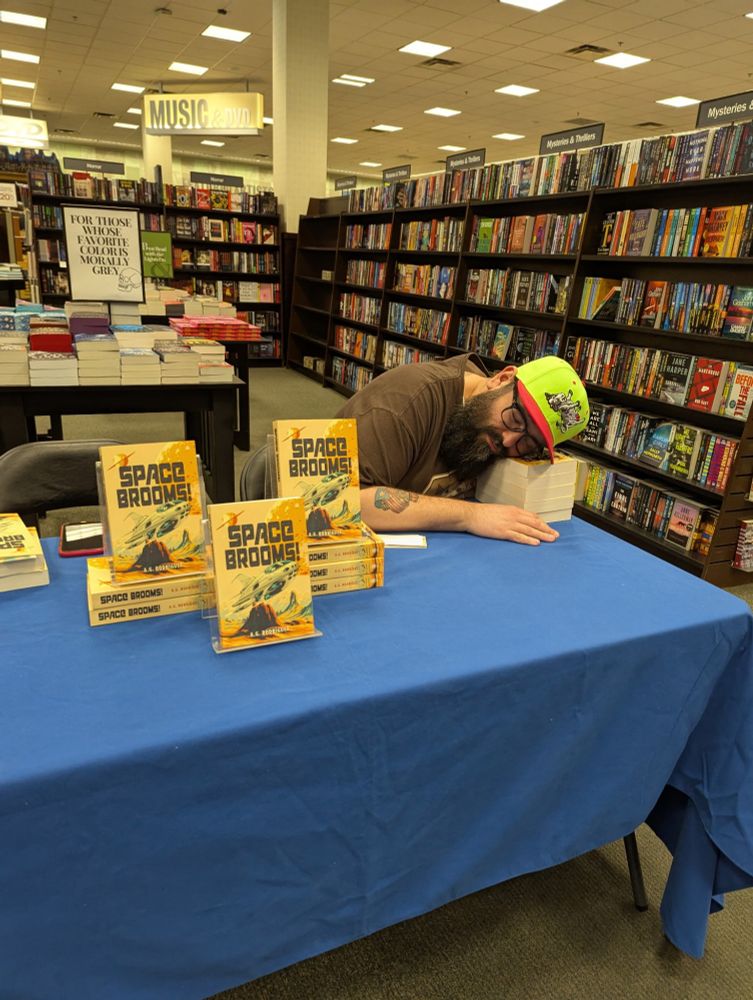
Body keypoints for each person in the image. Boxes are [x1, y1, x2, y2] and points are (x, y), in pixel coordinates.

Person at [337, 353, 590, 545]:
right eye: (515, 418)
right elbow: (342, 501)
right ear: (501, 379)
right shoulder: (405, 402)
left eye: (528, 442)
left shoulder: (492, 420)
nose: (508, 441)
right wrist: (470, 516)